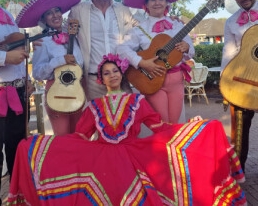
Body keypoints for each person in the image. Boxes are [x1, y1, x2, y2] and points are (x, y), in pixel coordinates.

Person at [7, 53, 246, 205]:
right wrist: (45, 145)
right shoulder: (94, 105)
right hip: (100, 156)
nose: (111, 75)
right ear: (100, 79)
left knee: (207, 130)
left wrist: (191, 128)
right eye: (106, 73)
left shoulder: (137, 102)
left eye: (115, 71)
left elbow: (160, 127)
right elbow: (80, 137)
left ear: (122, 74)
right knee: (33, 147)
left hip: (133, 156)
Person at [117, 0, 195, 123]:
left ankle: (170, 147)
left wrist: (187, 47)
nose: (157, 2)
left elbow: (191, 51)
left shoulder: (178, 25)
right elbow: (121, 50)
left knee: (174, 123)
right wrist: (141, 62)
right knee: (162, 123)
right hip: (152, 80)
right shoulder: (139, 29)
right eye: (152, 0)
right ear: (145, 5)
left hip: (176, 81)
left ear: (167, 3)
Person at [15, 0, 85, 135]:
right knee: (63, 139)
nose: (55, 15)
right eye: (49, 13)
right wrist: (60, 60)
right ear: (43, 19)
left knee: (80, 137)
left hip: (78, 90)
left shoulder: (73, 36)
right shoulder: (42, 41)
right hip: (56, 92)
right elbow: (38, 73)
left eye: (57, 11)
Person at [208, 0, 258, 172]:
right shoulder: (231, 21)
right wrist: (225, 82)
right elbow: (228, 53)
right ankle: (239, 172)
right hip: (243, 81)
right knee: (239, 130)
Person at [67, 0, 139, 101]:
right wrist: (44, 38)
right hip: (94, 81)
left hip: (121, 78)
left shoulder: (123, 10)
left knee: (127, 119)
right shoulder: (78, 11)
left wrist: (166, 19)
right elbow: (65, 33)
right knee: (99, 120)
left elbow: (142, 30)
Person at [0, 0, 35, 204]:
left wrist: (26, 76)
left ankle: (16, 196)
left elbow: (18, 50)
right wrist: (3, 59)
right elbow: (7, 55)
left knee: (16, 147)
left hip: (18, 91)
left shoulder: (8, 15)